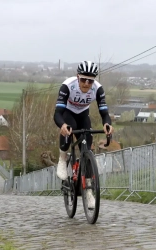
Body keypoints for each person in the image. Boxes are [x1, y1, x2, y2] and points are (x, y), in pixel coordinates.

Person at [54, 60, 114, 209]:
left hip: (83, 115)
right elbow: (58, 113)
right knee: (69, 129)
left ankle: (88, 192)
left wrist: (107, 124)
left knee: (87, 146)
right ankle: (62, 158)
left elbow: (104, 113)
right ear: (77, 77)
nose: (87, 83)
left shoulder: (98, 89)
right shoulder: (68, 86)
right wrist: (62, 125)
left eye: (90, 80)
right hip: (68, 113)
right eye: (83, 79)